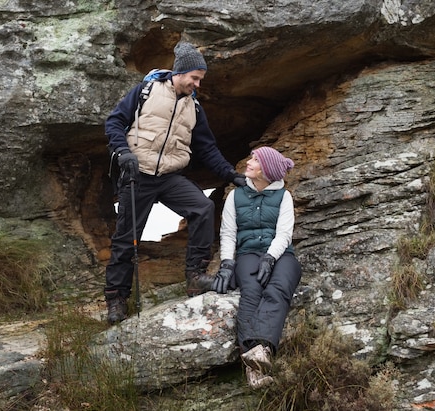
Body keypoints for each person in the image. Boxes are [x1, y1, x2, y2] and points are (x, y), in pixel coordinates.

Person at [104, 41, 246, 324]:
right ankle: (117, 299)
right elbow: (114, 123)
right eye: (194, 78)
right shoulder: (146, 91)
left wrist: (231, 174)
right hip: (137, 175)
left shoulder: (194, 107)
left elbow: (207, 148)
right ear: (179, 73)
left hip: (169, 177)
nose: (197, 84)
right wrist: (123, 154)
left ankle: (195, 276)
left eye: (200, 80)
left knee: (203, 207)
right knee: (126, 238)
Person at [211, 146, 302, 389]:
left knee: (279, 288)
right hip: (247, 253)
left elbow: (284, 235)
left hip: (281, 254)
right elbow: (228, 234)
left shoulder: (284, 196)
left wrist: (270, 258)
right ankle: (256, 363)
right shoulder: (235, 196)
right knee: (252, 290)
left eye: (255, 160)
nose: (249, 162)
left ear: (266, 170)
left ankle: (258, 353)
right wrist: (228, 264)